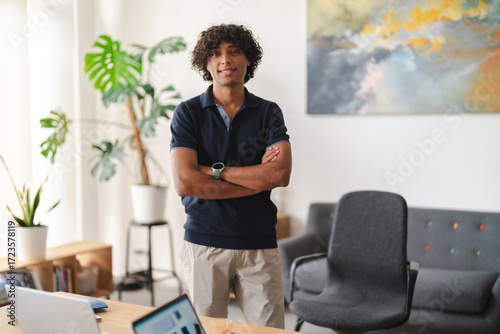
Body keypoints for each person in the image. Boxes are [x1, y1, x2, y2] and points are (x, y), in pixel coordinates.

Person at [169, 24, 292, 329]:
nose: (225, 59)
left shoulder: (268, 113)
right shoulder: (187, 113)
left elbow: (279, 173)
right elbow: (185, 182)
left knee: (268, 332)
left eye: (234, 51)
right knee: (207, 330)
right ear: (206, 64)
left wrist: (214, 171)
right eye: (216, 53)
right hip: (204, 244)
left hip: (259, 244)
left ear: (248, 60)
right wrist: (256, 182)